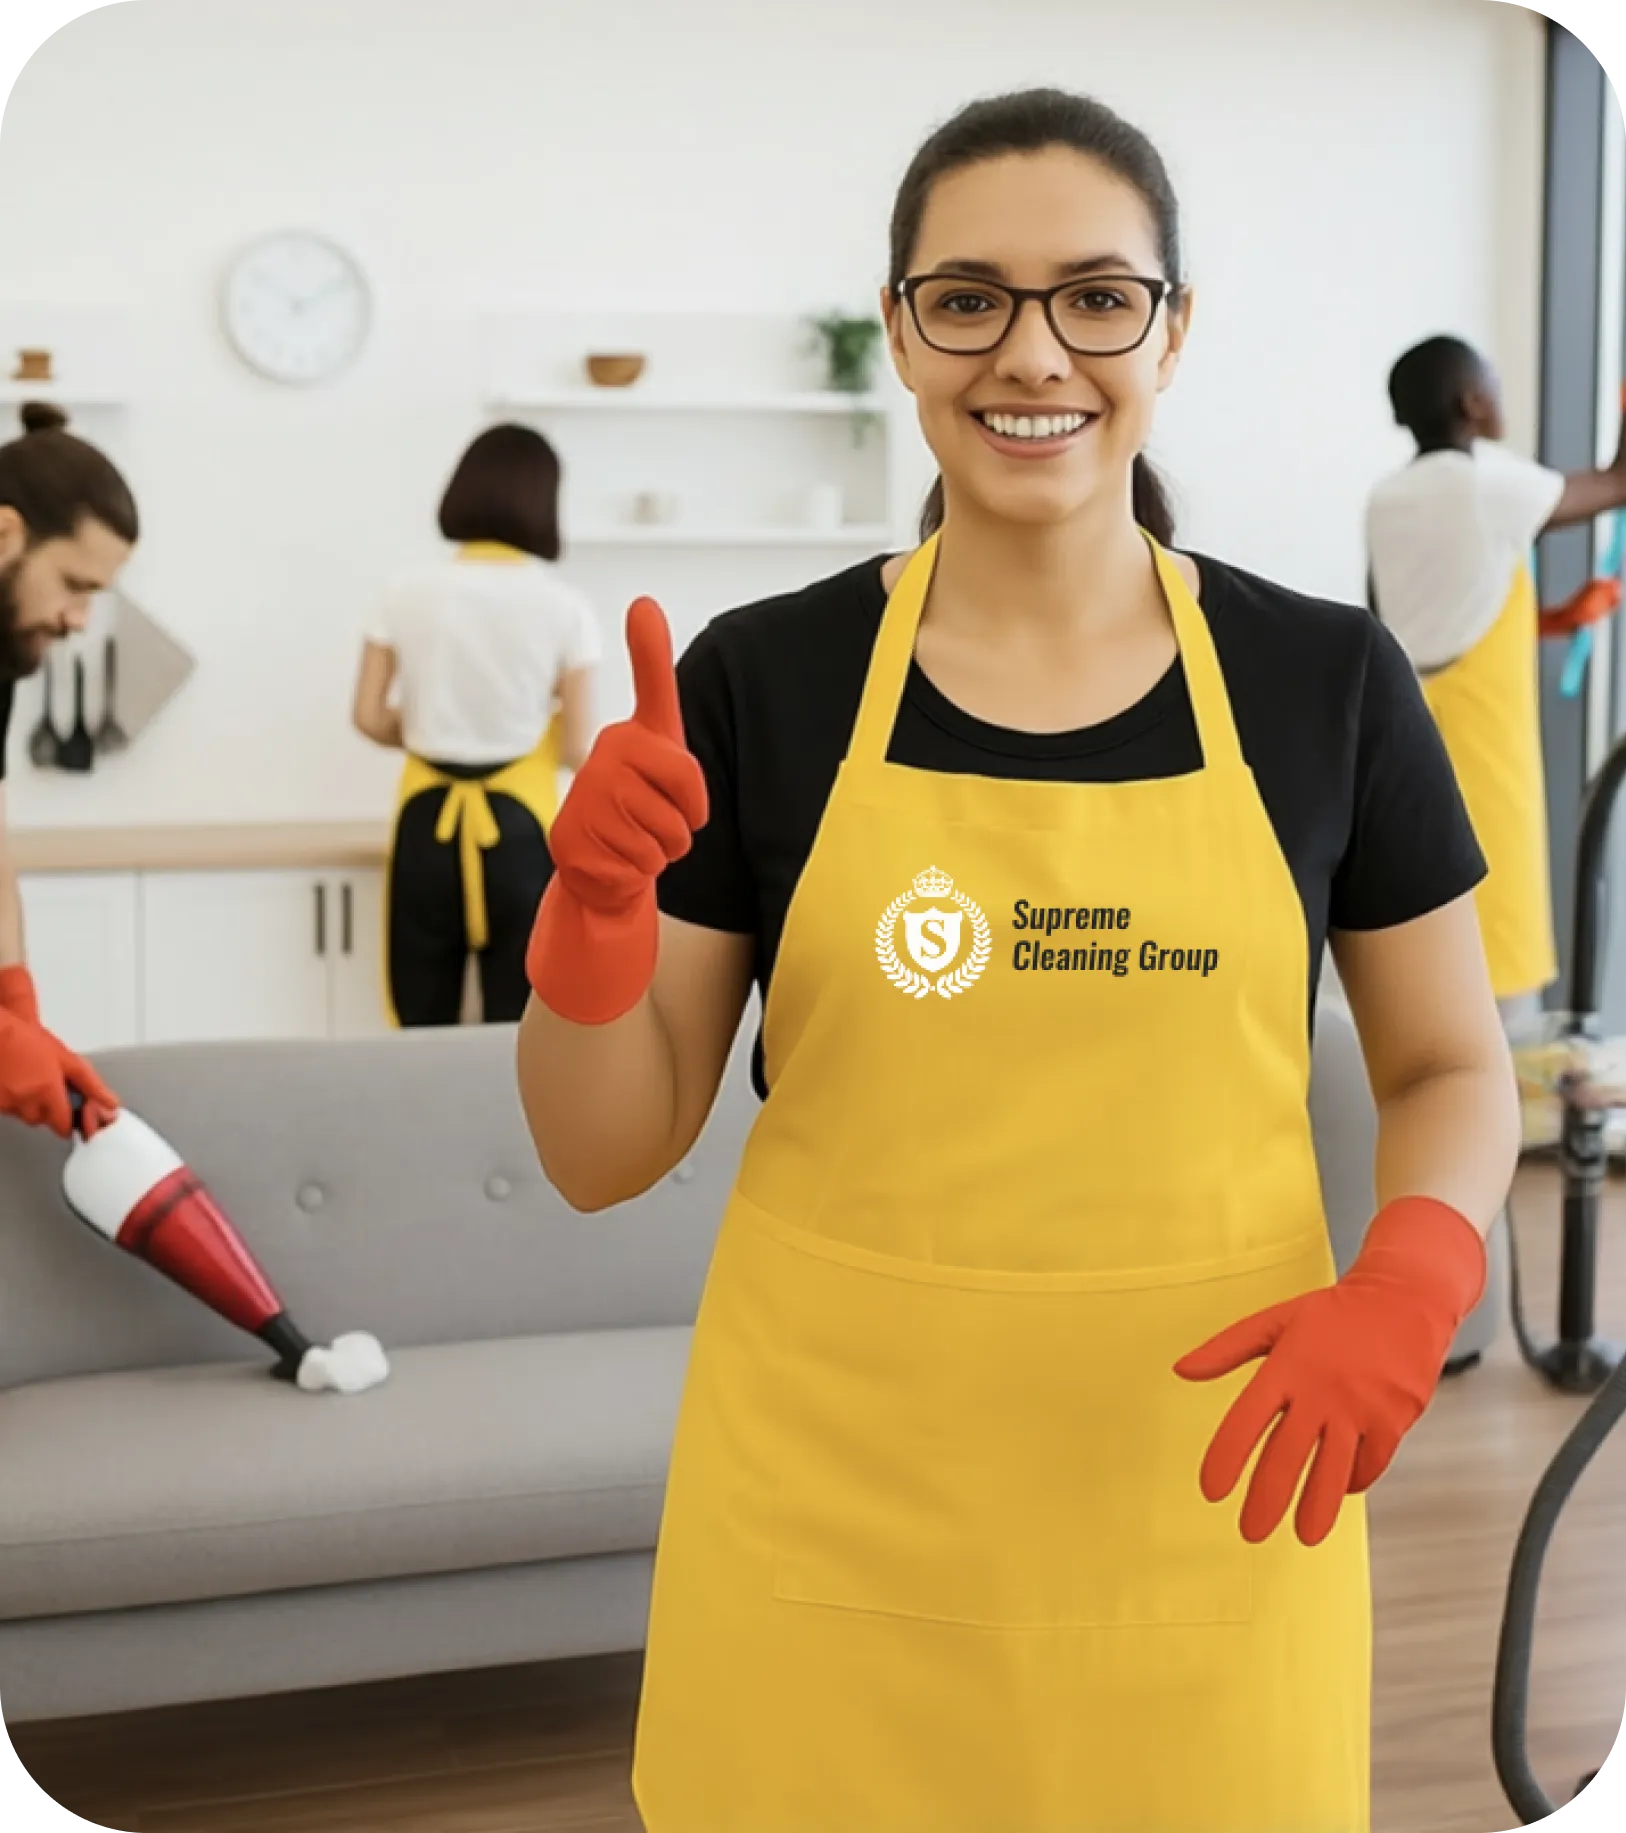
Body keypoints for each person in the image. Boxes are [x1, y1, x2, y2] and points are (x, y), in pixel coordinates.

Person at [516, 89, 1521, 1832]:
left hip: (1208, 1512)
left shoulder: (1326, 682)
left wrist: (1415, 1272)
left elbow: (1446, 1063)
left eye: (1097, 295)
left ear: (1172, 328)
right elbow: (602, 1151)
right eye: (968, 295)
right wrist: (592, 922)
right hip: (830, 1518)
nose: (1032, 350)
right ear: (903, 328)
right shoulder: (770, 680)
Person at [1366, 335, 1626, 1030]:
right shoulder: (1484, 481)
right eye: (1495, 384)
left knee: (1429, 938)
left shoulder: (1388, 499)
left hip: (1415, 736)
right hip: (1483, 746)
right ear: (1472, 403)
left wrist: (1558, 617)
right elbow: (1616, 483)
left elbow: (1423, 618)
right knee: (1496, 943)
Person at [351, 423, 599, 1026]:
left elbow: (366, 716)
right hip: (520, 837)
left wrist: (427, 727)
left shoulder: (403, 592)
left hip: (425, 827)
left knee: (419, 1021)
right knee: (517, 1029)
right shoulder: (565, 608)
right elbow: (579, 749)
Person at [0, 403, 131, 1137]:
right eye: (74, 584)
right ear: (6, 533)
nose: (79, 618)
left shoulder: (5, 645)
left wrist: (16, 1000)